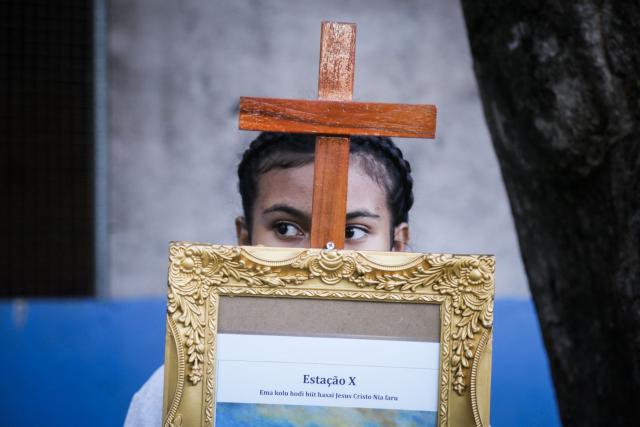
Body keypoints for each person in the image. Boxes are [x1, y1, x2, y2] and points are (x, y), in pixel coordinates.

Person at [124, 132, 415, 426]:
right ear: (245, 239)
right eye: (286, 228)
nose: (319, 259)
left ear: (398, 245)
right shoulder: (176, 393)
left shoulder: (435, 384)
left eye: (352, 232)